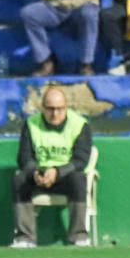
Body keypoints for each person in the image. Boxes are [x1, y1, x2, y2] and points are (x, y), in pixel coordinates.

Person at [11, 87, 94, 249]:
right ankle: (25, 237)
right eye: (50, 109)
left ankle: (79, 237)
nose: (55, 113)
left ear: (66, 108)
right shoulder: (31, 124)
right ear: (43, 108)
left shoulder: (80, 125)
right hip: (39, 175)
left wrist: (57, 172)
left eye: (59, 109)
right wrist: (35, 172)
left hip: (66, 176)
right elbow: (24, 157)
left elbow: (80, 160)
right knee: (19, 179)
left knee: (79, 179)